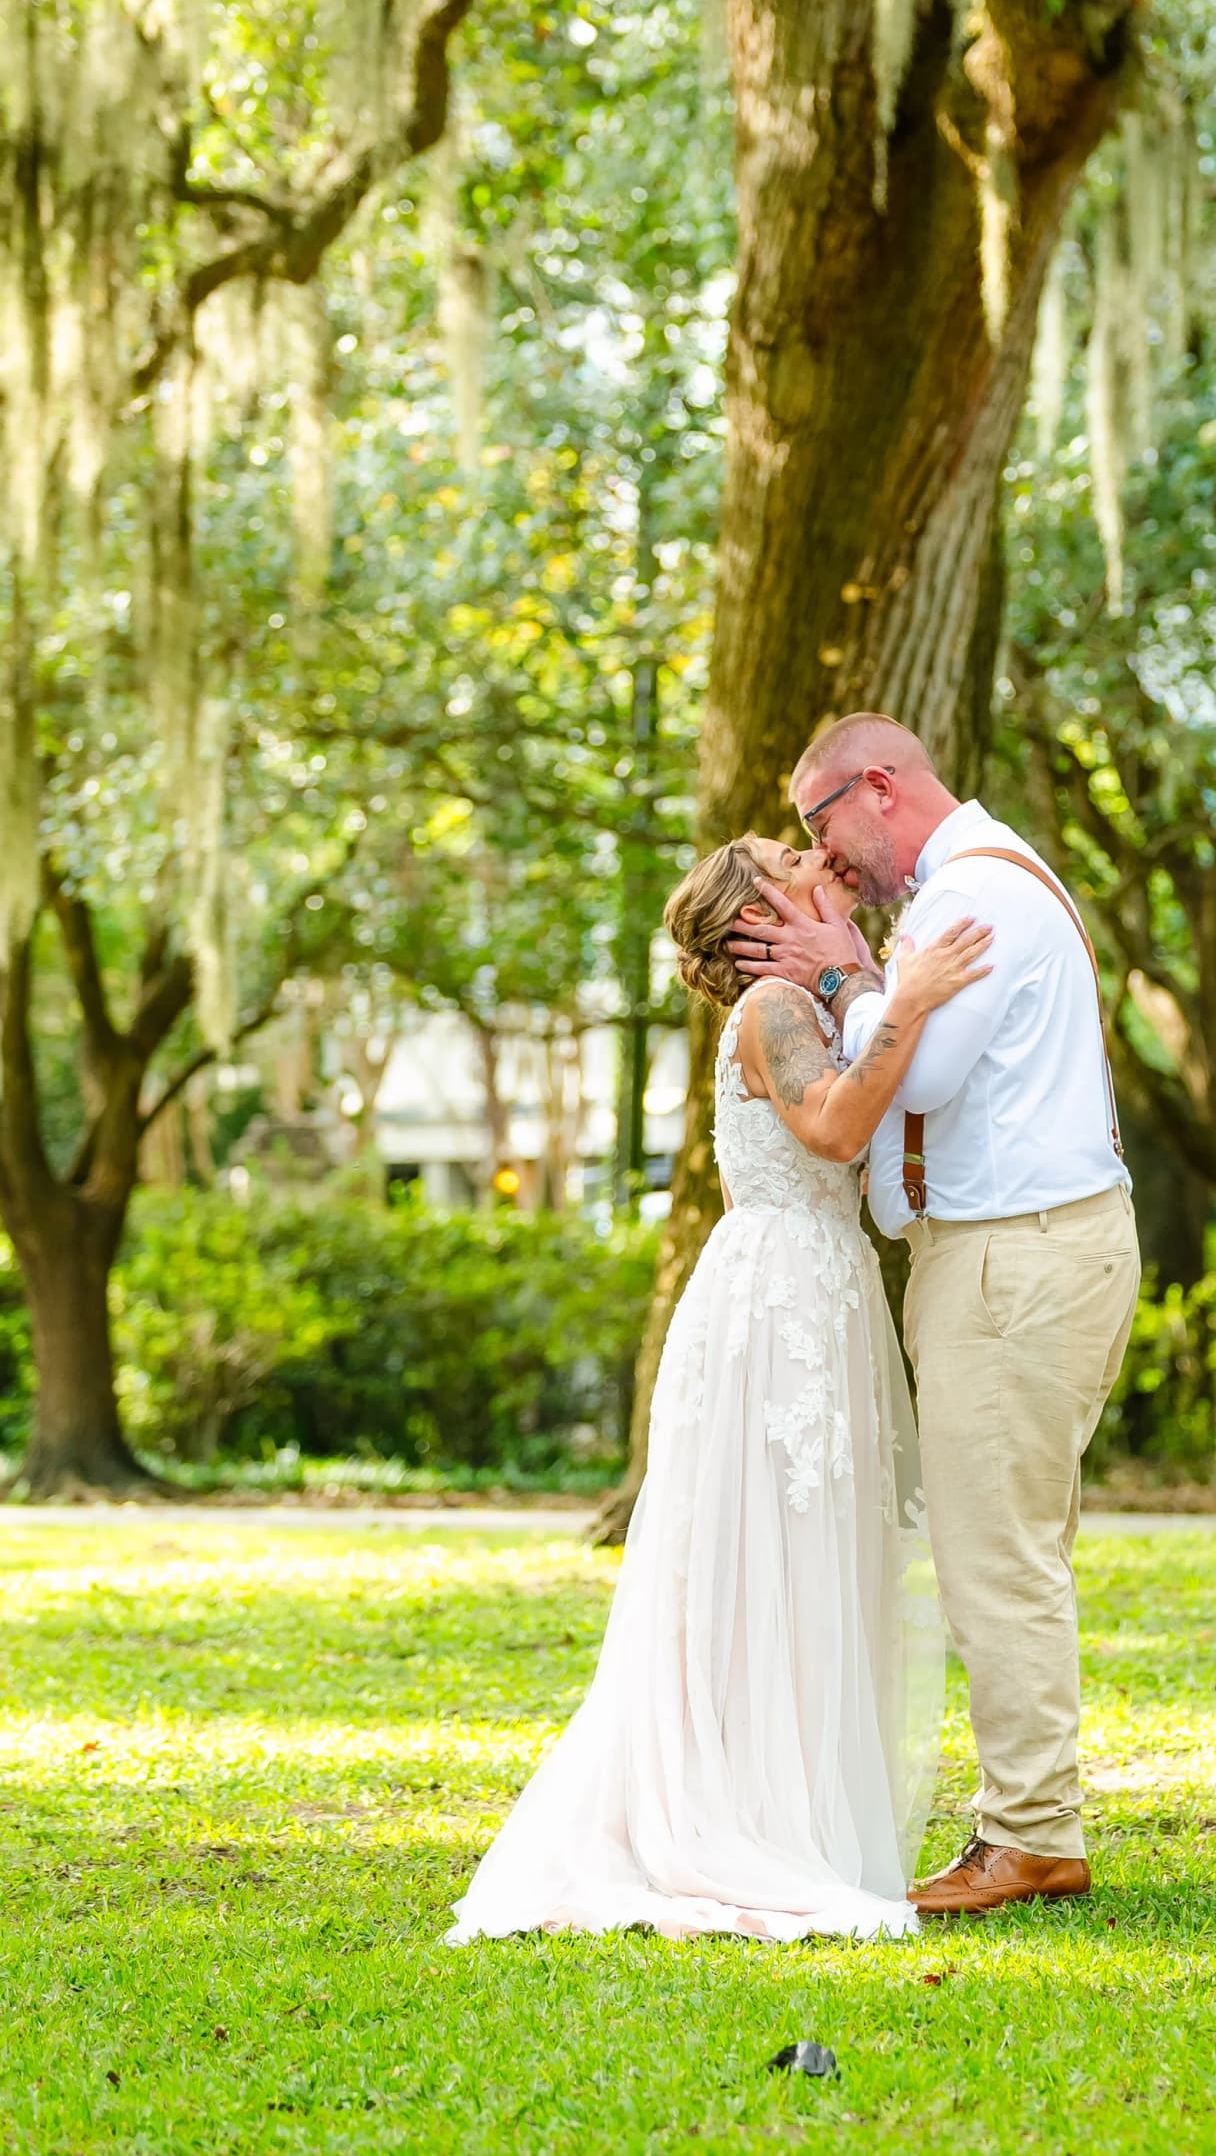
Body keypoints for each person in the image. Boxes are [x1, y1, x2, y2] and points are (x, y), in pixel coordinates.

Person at [447, 833, 990, 1946]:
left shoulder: (808, 996)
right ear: (753, 915)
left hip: (826, 1283)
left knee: (822, 1556)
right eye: (784, 853)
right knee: (771, 1552)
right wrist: (912, 997)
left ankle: (796, 1809)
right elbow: (835, 1122)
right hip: (777, 1295)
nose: (810, 851)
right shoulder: (771, 1013)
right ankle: (737, 1818)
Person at [728, 714, 1139, 1917]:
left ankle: (1028, 1835)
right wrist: (867, 970)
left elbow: (930, 1073)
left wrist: (845, 970)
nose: (826, 858)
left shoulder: (980, 896)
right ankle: (1027, 1820)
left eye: (820, 825)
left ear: (880, 786)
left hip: (1018, 1259)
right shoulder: (975, 882)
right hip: (1021, 1251)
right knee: (1011, 1549)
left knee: (993, 1558)